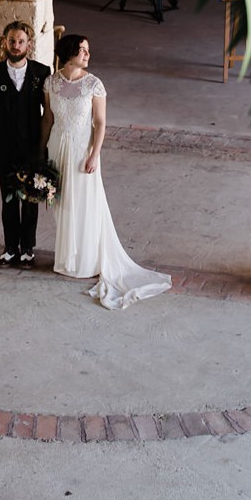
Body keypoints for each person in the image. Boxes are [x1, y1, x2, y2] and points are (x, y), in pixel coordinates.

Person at [44, 33, 171, 309]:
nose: (87, 54)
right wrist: (41, 151)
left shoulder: (94, 85)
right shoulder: (51, 82)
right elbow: (48, 119)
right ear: (69, 53)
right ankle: (67, 258)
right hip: (57, 147)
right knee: (62, 203)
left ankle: (86, 262)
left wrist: (94, 154)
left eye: (88, 50)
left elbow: (100, 123)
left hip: (81, 150)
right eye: (82, 50)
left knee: (85, 204)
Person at [0, 21, 48, 269]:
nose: (16, 46)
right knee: (8, 199)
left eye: (20, 41)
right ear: (4, 43)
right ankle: (10, 248)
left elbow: (49, 113)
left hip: (32, 146)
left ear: (29, 44)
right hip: (4, 147)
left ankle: (28, 248)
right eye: (11, 41)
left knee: (30, 198)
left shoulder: (41, 73)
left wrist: (48, 144)